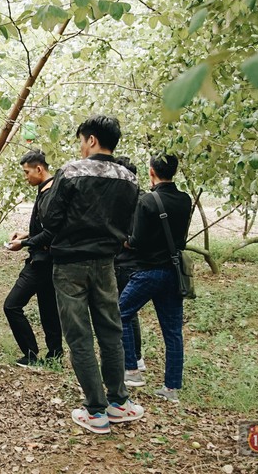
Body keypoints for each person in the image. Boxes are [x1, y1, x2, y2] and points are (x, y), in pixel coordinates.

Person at [13, 115, 143, 435]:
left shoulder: (71, 171)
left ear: (92, 140)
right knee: (111, 331)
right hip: (106, 264)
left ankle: (96, 410)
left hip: (70, 265)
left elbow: (51, 219)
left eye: (82, 141)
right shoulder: (130, 178)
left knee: (80, 336)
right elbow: (131, 227)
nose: (81, 147)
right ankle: (118, 402)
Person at [119, 154, 192, 403]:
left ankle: (132, 370)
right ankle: (171, 389)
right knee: (173, 332)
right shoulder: (185, 199)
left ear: (151, 172)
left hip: (148, 271)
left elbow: (136, 241)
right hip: (173, 272)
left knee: (120, 314)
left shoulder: (148, 200)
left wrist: (123, 240)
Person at [4, 150, 63, 367]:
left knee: (11, 305)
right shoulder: (47, 189)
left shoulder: (51, 194)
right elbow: (46, 226)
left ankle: (30, 353)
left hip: (42, 261)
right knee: (48, 308)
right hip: (47, 260)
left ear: (39, 169)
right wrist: (26, 234)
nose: (25, 176)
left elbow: (51, 232)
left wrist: (24, 243)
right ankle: (55, 354)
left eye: (27, 172)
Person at [113, 157, 145, 375]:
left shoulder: (135, 201)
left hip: (128, 262)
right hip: (127, 262)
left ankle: (134, 358)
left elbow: (133, 237)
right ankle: (134, 357)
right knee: (127, 310)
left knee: (126, 311)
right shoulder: (138, 197)